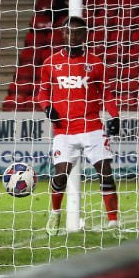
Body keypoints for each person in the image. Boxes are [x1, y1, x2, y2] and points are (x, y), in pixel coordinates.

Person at [38, 16, 121, 237]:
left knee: (105, 173)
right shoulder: (50, 63)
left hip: (92, 125)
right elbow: (43, 92)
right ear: (62, 34)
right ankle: (55, 214)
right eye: (68, 32)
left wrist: (114, 116)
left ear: (85, 35)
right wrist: (47, 108)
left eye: (77, 32)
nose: (72, 36)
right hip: (64, 129)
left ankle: (114, 224)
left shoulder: (96, 62)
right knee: (60, 174)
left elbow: (106, 93)